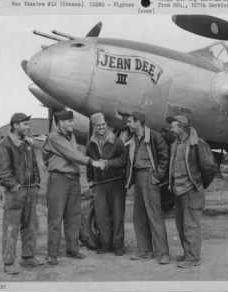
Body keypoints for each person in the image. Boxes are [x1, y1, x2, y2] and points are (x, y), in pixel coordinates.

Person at [42, 110, 104, 265]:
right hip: (59, 179)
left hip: (73, 179)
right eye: (69, 121)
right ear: (61, 123)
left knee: (74, 216)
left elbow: (72, 155)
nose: (72, 124)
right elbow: (72, 154)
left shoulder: (72, 136)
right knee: (55, 218)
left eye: (72, 121)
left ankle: (72, 249)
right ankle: (52, 254)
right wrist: (91, 162)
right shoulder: (54, 137)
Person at [0, 113, 43, 274]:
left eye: (28, 124)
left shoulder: (27, 144)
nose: (28, 127)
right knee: (11, 228)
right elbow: (2, 171)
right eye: (25, 124)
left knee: (31, 225)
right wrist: (14, 186)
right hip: (15, 193)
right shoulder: (5, 145)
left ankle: (28, 258)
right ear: (15, 125)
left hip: (30, 190)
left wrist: (36, 183)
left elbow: (34, 165)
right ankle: (8, 263)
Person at [166, 115, 216, 268]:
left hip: (191, 191)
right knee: (181, 225)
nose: (170, 129)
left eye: (173, 126)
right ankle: (188, 254)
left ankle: (193, 258)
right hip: (178, 191)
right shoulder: (176, 144)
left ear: (181, 126)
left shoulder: (197, 144)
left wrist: (199, 184)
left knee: (191, 226)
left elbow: (209, 167)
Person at [125, 112, 170, 265]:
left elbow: (165, 156)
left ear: (138, 122)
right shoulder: (133, 139)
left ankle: (163, 253)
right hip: (138, 178)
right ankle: (145, 251)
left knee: (154, 216)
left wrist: (157, 176)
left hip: (150, 176)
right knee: (138, 216)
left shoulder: (155, 136)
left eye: (130, 122)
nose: (128, 124)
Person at [85, 113, 127, 256]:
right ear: (94, 127)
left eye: (103, 124)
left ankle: (118, 246)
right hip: (100, 184)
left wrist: (108, 164)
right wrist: (90, 181)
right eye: (98, 125)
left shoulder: (116, 141)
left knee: (117, 214)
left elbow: (123, 160)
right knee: (102, 215)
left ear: (106, 125)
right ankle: (105, 245)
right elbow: (89, 163)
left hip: (116, 183)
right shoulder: (90, 144)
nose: (102, 127)